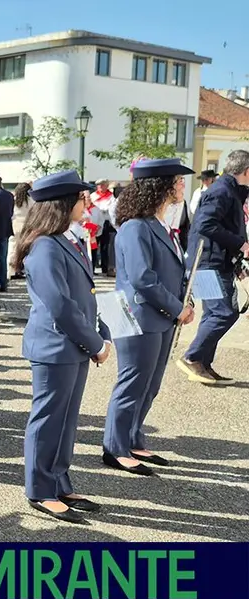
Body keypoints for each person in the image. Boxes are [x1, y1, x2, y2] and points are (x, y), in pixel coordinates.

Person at [14, 170, 113, 524]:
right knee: (48, 419)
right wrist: (94, 342)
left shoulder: (62, 240)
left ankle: (58, 479)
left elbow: (82, 297)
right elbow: (60, 304)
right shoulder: (44, 246)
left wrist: (100, 332)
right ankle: (40, 489)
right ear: (63, 203)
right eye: (81, 197)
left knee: (66, 420)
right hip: (55, 345)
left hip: (71, 346)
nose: (86, 203)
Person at [103, 158, 195, 475]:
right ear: (160, 185)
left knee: (149, 384)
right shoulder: (135, 227)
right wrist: (177, 307)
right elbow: (143, 278)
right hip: (136, 315)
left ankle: (133, 438)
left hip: (157, 316)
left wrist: (186, 299)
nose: (183, 185)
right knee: (132, 382)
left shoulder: (160, 224)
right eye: (178, 180)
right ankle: (115, 448)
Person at [179, 150, 249, 385]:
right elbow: (205, 224)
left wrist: (236, 257)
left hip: (213, 262)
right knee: (223, 313)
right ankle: (192, 357)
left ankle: (202, 365)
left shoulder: (228, 190)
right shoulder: (221, 191)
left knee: (213, 313)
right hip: (207, 264)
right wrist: (241, 244)